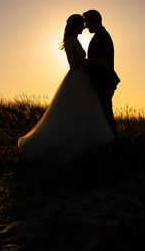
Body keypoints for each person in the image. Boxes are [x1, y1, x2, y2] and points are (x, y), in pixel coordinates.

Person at [18, 14, 115, 164]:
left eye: (85, 23)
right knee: (75, 113)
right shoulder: (70, 40)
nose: (84, 26)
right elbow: (75, 63)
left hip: (82, 78)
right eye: (81, 24)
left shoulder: (76, 39)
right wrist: (93, 61)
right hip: (77, 78)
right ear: (74, 25)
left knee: (83, 112)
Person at [83, 9, 120, 137]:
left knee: (105, 112)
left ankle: (113, 140)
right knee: (102, 113)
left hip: (104, 81)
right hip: (102, 81)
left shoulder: (102, 36)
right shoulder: (100, 35)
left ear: (95, 20)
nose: (86, 26)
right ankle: (108, 140)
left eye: (87, 22)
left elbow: (104, 61)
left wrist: (84, 62)